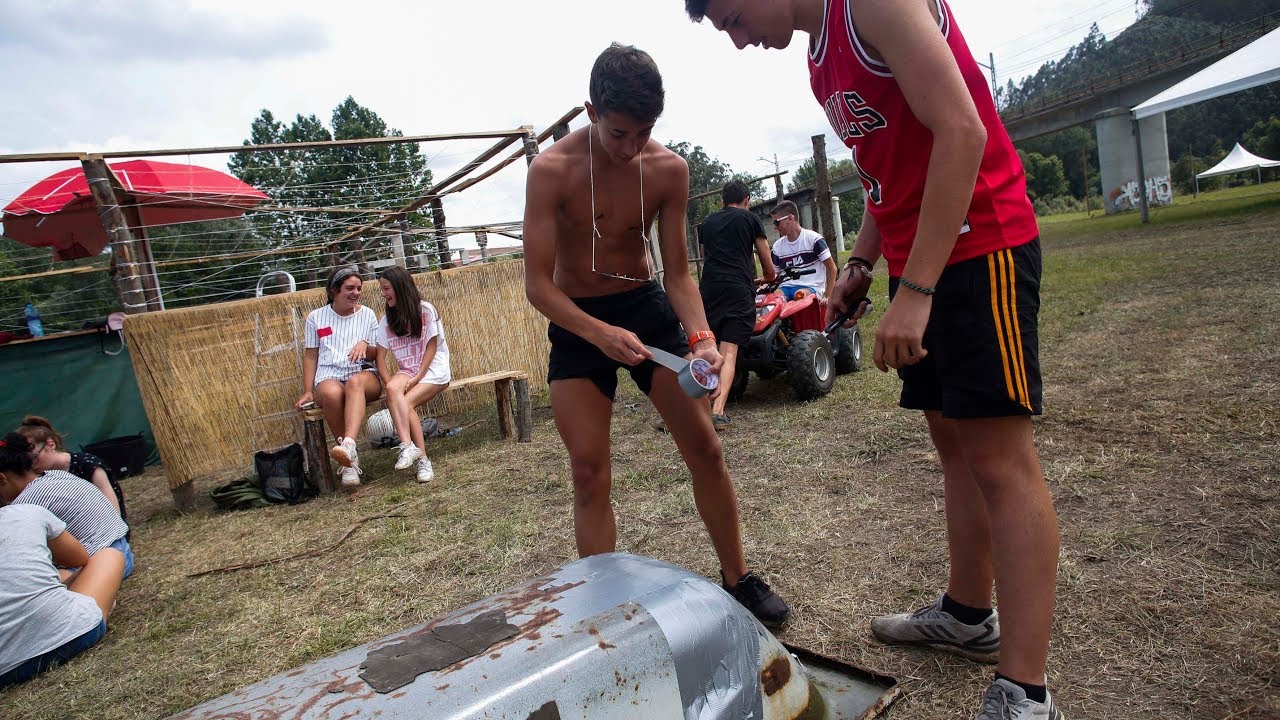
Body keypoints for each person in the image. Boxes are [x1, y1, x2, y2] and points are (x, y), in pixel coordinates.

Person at [685, 2, 1060, 718]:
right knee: (954, 447)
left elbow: (962, 130)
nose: (737, 40)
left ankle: (1027, 692)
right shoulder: (819, 57)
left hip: (981, 247)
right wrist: (861, 261)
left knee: (1001, 463)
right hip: (926, 254)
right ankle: (967, 614)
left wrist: (914, 291)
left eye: (732, 17)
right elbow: (891, 170)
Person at [522, 43, 790, 628]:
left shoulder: (668, 170)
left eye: (644, 132)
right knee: (589, 470)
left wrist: (699, 337)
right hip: (577, 320)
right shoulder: (550, 172)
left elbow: (676, 273)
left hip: (644, 311)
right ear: (592, 111)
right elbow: (539, 287)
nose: (631, 147)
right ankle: (608, 608)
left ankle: (738, 580)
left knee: (706, 448)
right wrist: (598, 333)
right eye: (620, 132)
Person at [0, 502, 124, 689]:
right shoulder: (25, 511)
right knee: (109, 555)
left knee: (61, 576)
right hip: (70, 635)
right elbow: (79, 558)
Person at [697, 179, 776, 428]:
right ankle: (717, 412)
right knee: (729, 351)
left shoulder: (707, 222)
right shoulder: (749, 218)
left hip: (708, 290)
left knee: (707, 349)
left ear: (723, 200)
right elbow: (766, 260)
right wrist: (770, 276)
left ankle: (693, 408)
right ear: (747, 199)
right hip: (737, 289)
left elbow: (707, 256)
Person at [0, 432, 133, 580]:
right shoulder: (55, 475)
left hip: (103, 564)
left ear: (2, 478)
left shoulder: (26, 504)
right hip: (123, 550)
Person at [296, 265, 382, 488]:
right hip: (330, 374)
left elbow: (376, 353)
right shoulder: (316, 318)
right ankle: (349, 463)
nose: (355, 293)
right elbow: (311, 356)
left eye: (359, 288)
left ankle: (349, 446)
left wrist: (365, 344)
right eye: (349, 288)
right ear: (334, 290)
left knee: (354, 382)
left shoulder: (368, 315)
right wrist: (307, 390)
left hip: (363, 374)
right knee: (331, 394)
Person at [373, 266, 451, 484]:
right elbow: (379, 357)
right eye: (382, 289)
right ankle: (408, 446)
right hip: (407, 370)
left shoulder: (425, 310)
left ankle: (423, 459)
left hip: (433, 368)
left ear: (400, 287)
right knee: (393, 392)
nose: (383, 293)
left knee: (405, 403)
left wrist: (417, 378)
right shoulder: (386, 318)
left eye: (386, 288)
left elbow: (432, 348)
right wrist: (391, 387)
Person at [17, 416, 125, 521]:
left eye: (34, 457)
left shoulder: (88, 465)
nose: (30, 465)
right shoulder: (39, 476)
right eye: (25, 461)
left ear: (51, 445)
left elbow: (114, 513)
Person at [769, 200, 837, 301]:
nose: (775, 227)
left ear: (790, 218)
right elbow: (776, 276)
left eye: (777, 222)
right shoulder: (777, 246)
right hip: (785, 287)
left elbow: (832, 268)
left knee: (799, 295)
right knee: (775, 298)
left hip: (810, 287)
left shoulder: (814, 239)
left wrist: (828, 297)